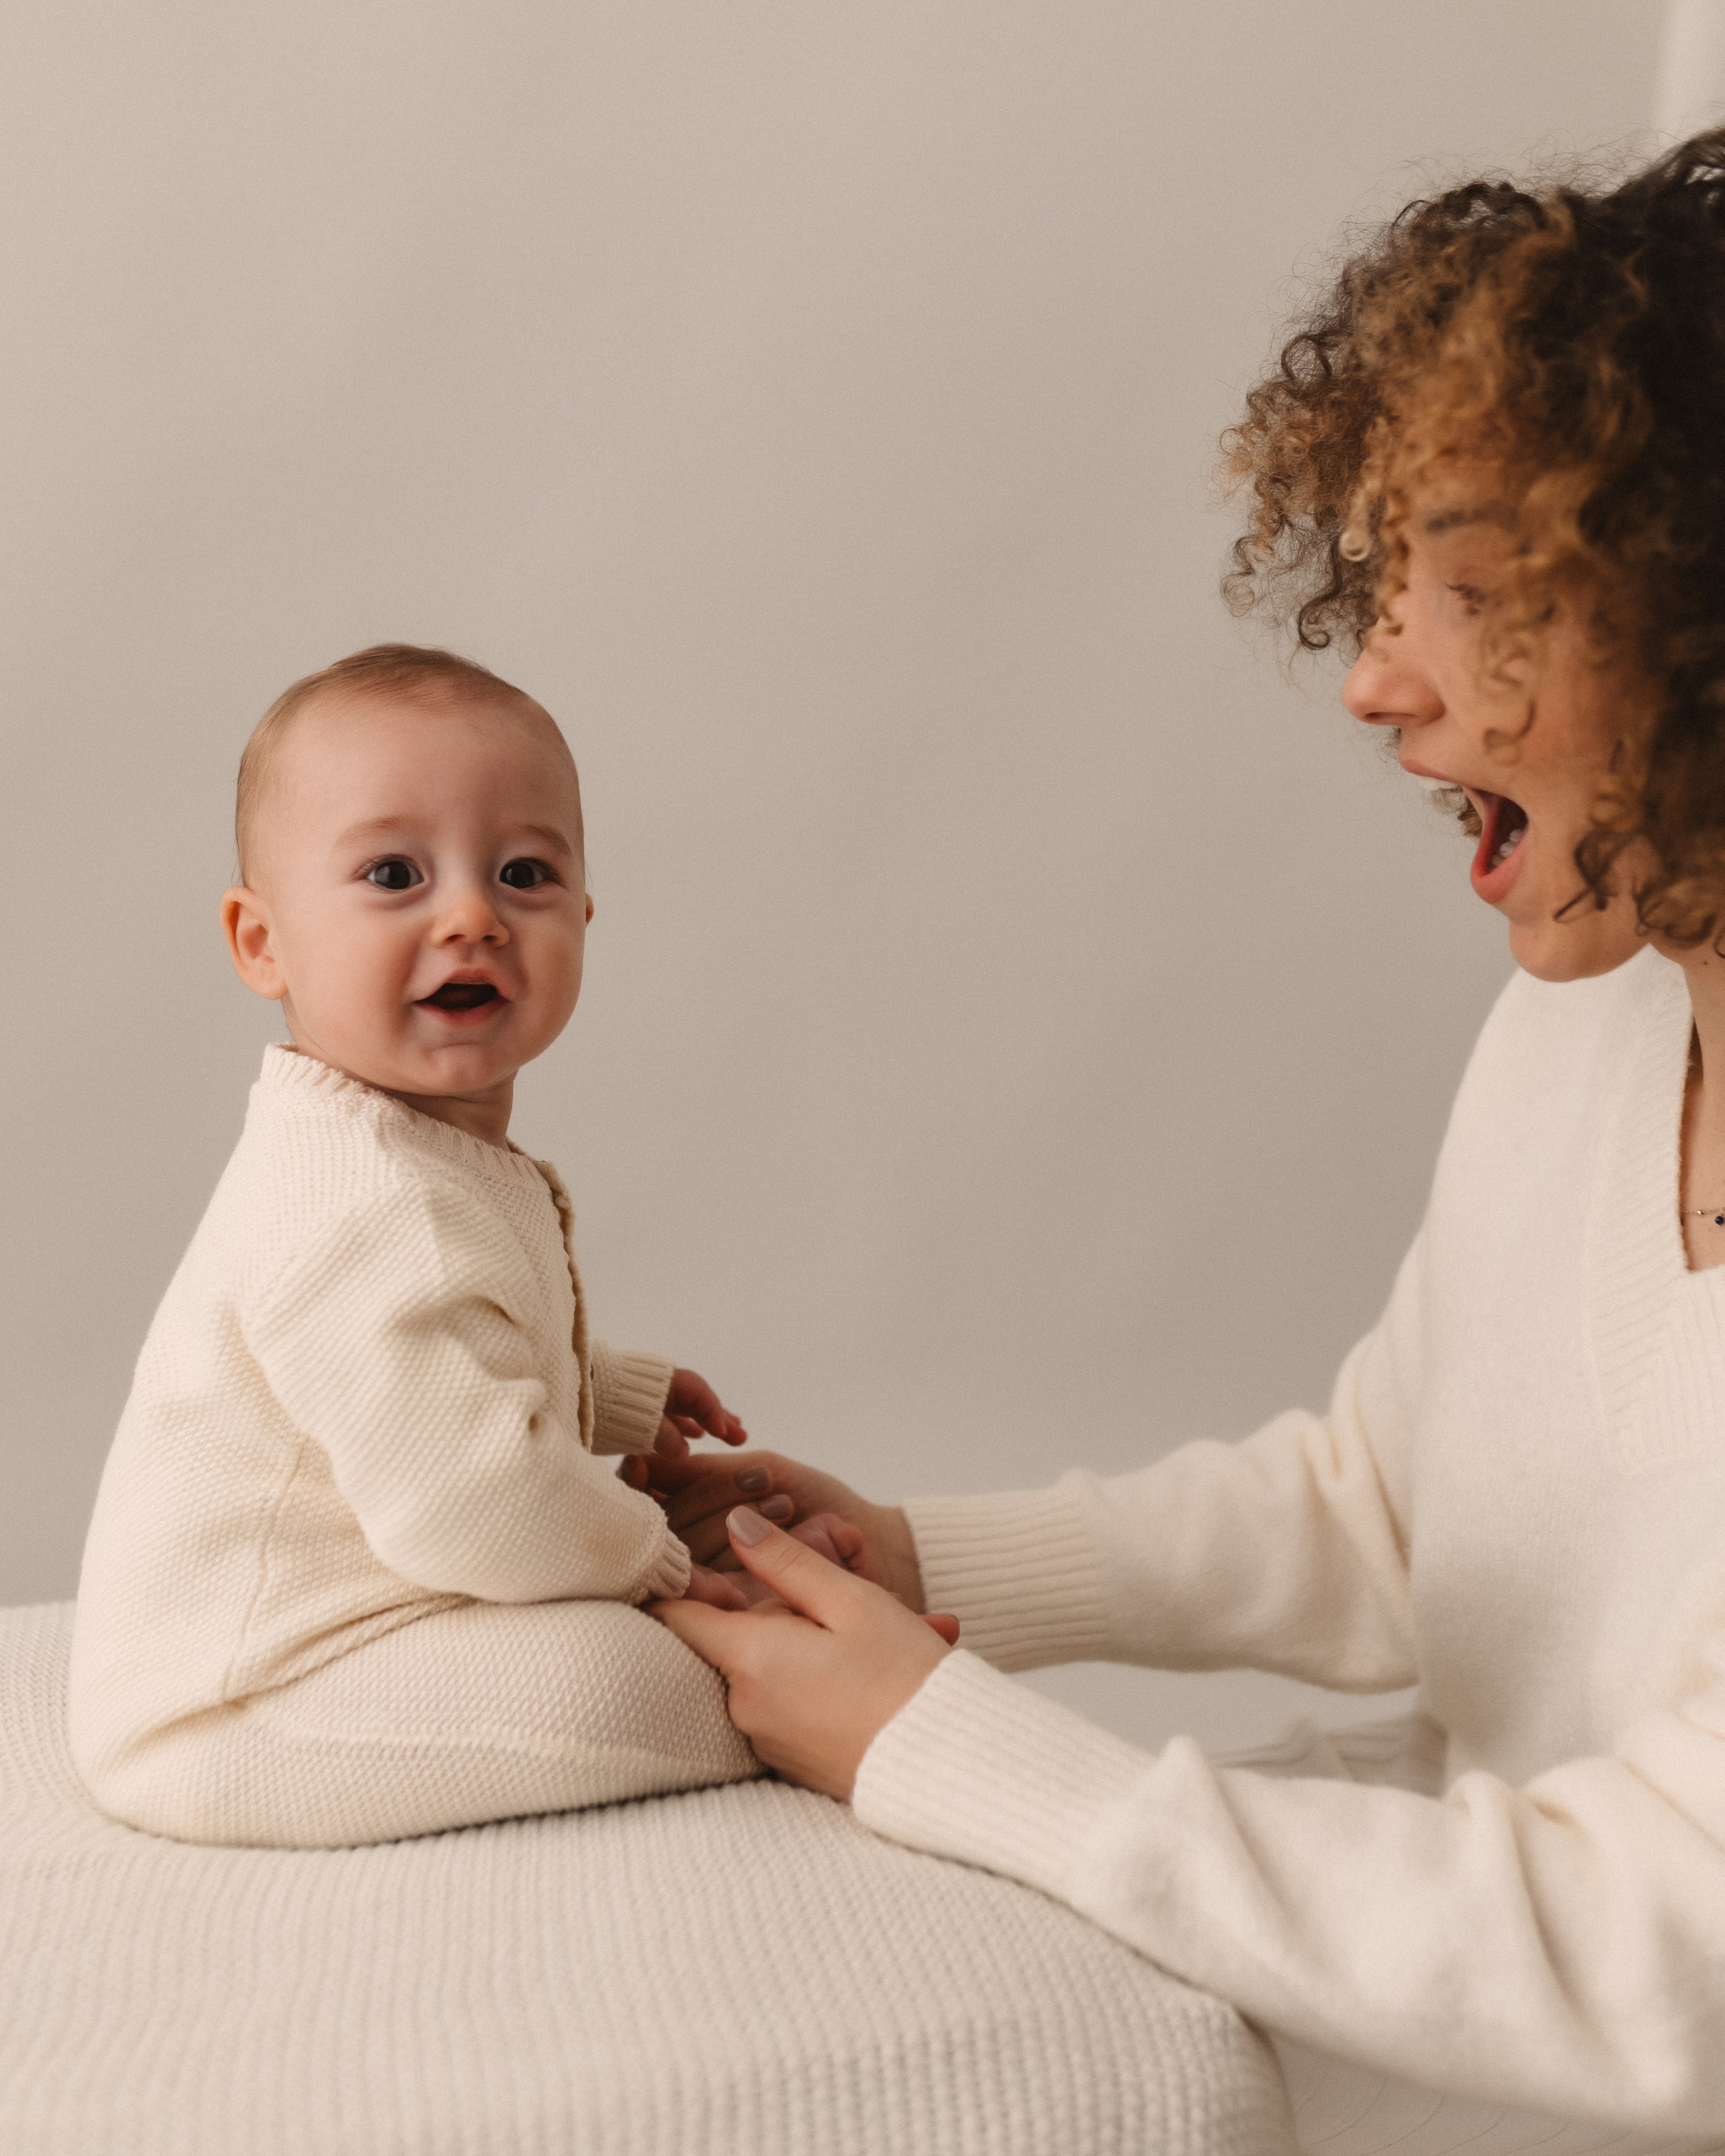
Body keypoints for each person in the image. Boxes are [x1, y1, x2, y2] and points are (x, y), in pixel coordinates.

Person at [646, 132, 1725, 2147]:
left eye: (1479, 598)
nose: (1375, 682)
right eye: (1385, 581)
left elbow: (1666, 1960)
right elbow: (1401, 1517)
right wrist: (919, 1562)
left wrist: (951, 1747)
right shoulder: (1580, 1041)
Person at [67, 643, 858, 1848]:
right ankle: (820, 1701)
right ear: (261, 942)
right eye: (394, 873)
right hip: (234, 1709)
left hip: (361, 1621)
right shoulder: (356, 1204)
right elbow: (475, 1508)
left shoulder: (407, 1154)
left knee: (599, 1611)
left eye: (524, 873)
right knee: (616, 1678)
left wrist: (612, 1402)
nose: (473, 916)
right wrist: (658, 1568)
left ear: (584, 919)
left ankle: (784, 1644)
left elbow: (456, 1359)